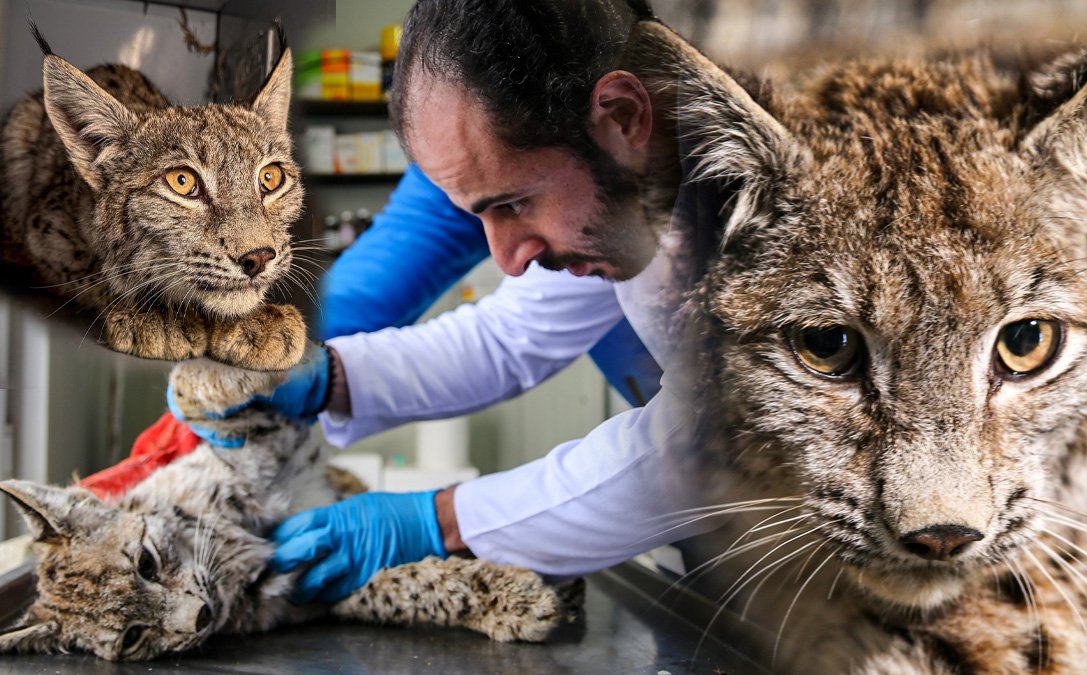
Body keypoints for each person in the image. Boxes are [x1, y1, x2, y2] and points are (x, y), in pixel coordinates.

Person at [179, 0, 718, 605]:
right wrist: (325, 374)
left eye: (513, 203)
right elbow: (512, 335)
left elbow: (716, 442)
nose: (507, 260)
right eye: (480, 214)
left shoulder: (772, 209)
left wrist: (438, 523)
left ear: (622, 114)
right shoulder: (620, 184)